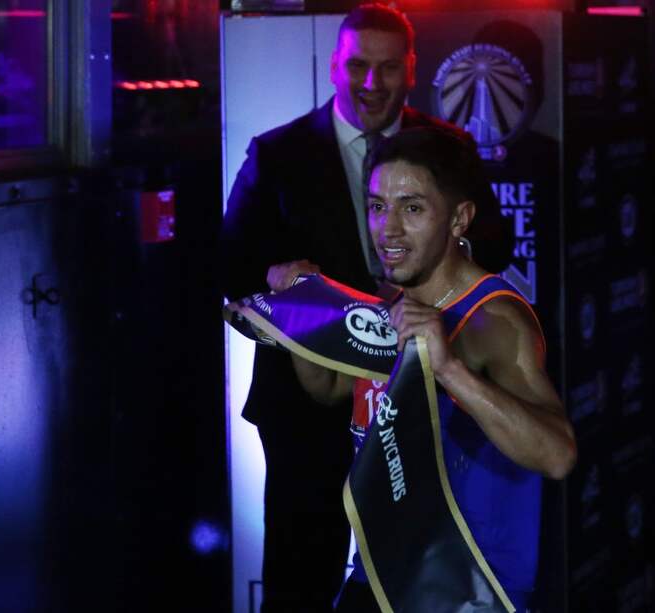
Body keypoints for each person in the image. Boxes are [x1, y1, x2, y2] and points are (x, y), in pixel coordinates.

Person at [219, 4, 513, 611]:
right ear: (333, 67)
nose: (371, 84)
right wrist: (275, 278)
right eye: (358, 66)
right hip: (307, 414)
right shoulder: (277, 154)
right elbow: (227, 266)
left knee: (420, 582)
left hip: (423, 396)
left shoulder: (447, 148)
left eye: (386, 68)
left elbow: (494, 243)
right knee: (302, 580)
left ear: (412, 70)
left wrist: (434, 270)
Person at [289, 127, 577, 612]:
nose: (389, 230)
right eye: (378, 206)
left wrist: (449, 369)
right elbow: (330, 387)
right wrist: (300, 311)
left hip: (467, 591)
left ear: (459, 218)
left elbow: (557, 455)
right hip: (379, 574)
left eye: (413, 208)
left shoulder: (494, 318)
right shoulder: (387, 302)